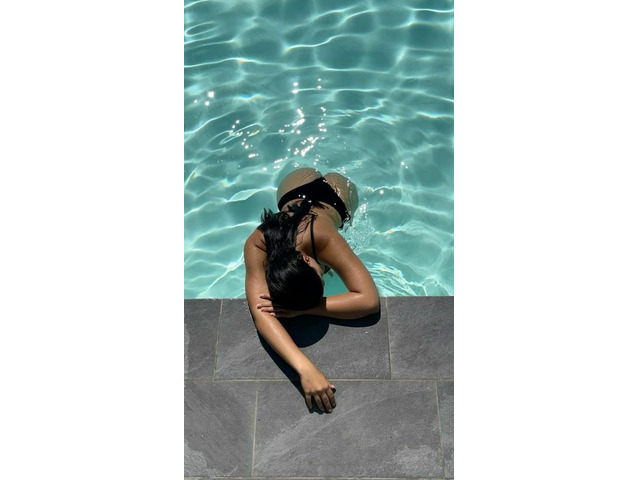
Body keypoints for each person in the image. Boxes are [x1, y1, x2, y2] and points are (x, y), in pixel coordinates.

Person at [244, 167, 380, 413]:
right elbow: (261, 313)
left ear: (307, 259)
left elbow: (369, 301)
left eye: (321, 276)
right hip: (293, 190)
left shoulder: (323, 237)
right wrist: (305, 369)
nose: (325, 278)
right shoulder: (257, 243)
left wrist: (309, 308)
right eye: (322, 275)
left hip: (334, 199)